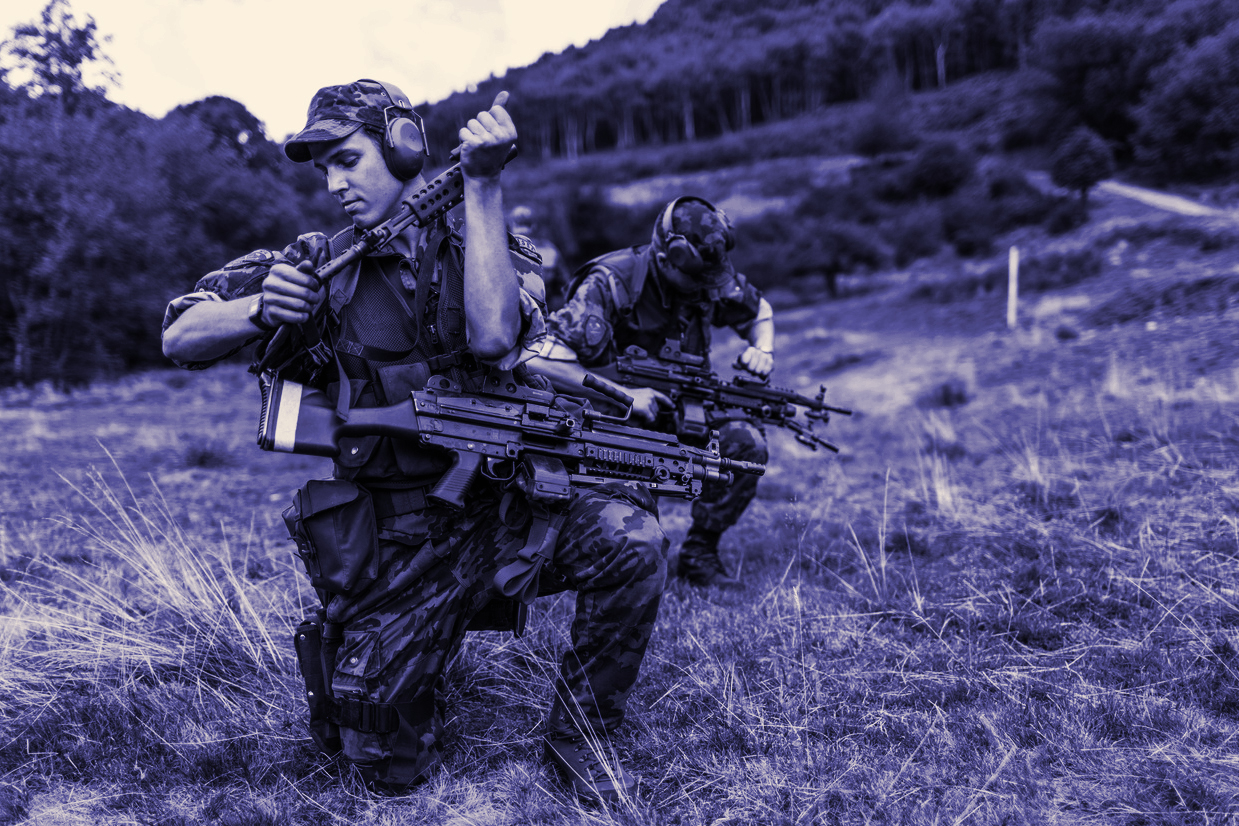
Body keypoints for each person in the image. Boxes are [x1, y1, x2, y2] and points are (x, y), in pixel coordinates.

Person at [161, 79, 667, 802]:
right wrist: (258, 308)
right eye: (323, 170)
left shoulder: (486, 239)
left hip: (499, 518)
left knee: (629, 539)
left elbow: (494, 337)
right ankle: (411, 659)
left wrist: (483, 188)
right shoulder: (316, 263)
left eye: (347, 160)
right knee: (380, 766)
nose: (334, 184)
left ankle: (579, 738)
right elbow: (179, 333)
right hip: (394, 550)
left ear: (403, 148)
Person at [528, 196, 774, 588]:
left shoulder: (707, 277)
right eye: (694, 280)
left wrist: (762, 349)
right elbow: (538, 360)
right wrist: (624, 394)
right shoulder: (610, 282)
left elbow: (759, 311)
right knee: (635, 516)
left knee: (746, 445)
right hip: (611, 424)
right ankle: (614, 563)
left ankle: (699, 554)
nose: (703, 290)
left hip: (682, 410)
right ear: (666, 257)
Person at [508, 204, 571, 312]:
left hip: (516, 312)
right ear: (534, 226)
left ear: (511, 225)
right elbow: (566, 285)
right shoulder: (550, 249)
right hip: (545, 310)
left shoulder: (502, 250)